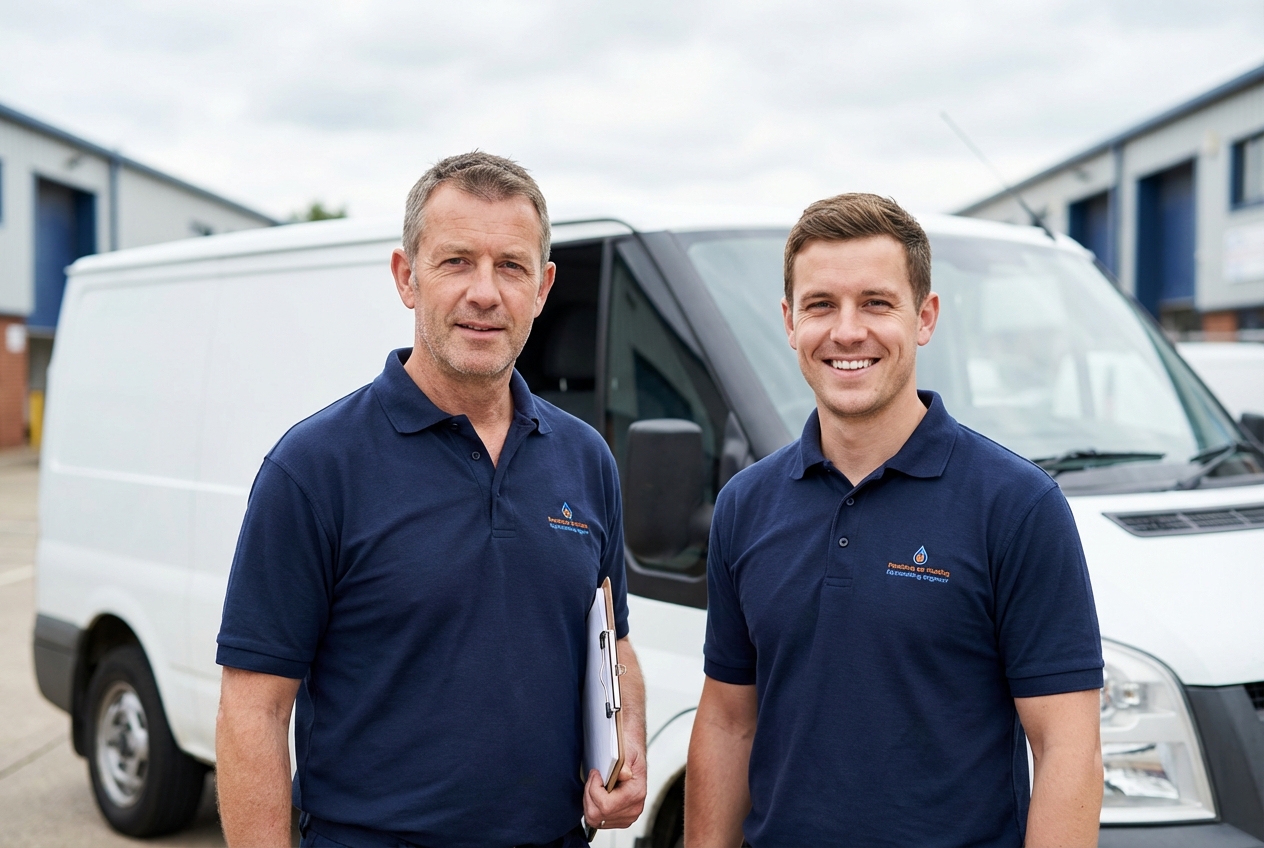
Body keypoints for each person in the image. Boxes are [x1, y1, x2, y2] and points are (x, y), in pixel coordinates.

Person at [215, 152, 646, 847]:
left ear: (542, 287)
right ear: (405, 277)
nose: (485, 292)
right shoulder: (314, 467)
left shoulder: (586, 459)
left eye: (511, 265)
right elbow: (252, 710)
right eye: (455, 262)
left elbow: (613, 640)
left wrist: (628, 738)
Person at [685, 194, 1103, 847]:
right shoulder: (746, 505)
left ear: (925, 317)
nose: (848, 331)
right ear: (790, 321)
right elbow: (728, 722)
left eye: (876, 303)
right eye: (822, 305)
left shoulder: (1017, 505)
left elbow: (1066, 749)